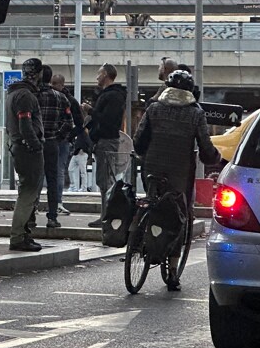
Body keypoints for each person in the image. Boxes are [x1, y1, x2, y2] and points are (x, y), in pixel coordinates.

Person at [133, 70, 220, 291]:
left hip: (151, 166)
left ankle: (140, 239)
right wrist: (215, 158)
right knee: (179, 214)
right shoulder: (195, 113)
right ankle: (172, 272)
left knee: (152, 203)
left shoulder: (154, 108)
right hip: (179, 173)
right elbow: (205, 146)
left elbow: (139, 139)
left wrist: (143, 153)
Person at [5, 58, 46, 252]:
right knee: (29, 193)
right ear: (38, 74)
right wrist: (36, 145)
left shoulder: (14, 93)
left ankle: (23, 234)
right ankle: (19, 235)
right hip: (27, 150)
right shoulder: (25, 96)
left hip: (18, 147)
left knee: (27, 192)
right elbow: (25, 125)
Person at [88, 63, 128, 217]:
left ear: (105, 74)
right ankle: (106, 215)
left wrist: (91, 111)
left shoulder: (112, 96)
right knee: (104, 179)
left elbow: (107, 120)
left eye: (99, 73)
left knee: (105, 181)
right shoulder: (112, 95)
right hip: (104, 140)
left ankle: (107, 216)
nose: (97, 77)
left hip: (106, 140)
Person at [37, 65, 70, 230]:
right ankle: (52, 216)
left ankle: (30, 216)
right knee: (52, 179)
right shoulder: (61, 97)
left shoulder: (33, 97)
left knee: (34, 179)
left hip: (36, 143)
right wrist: (58, 136)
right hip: (52, 143)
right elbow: (68, 122)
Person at [50, 73, 84, 212]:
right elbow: (79, 123)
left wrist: (67, 136)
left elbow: (78, 123)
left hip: (54, 139)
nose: (52, 86)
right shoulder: (70, 100)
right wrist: (69, 136)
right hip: (61, 139)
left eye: (54, 84)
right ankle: (57, 203)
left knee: (54, 171)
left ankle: (55, 202)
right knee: (58, 170)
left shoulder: (61, 99)